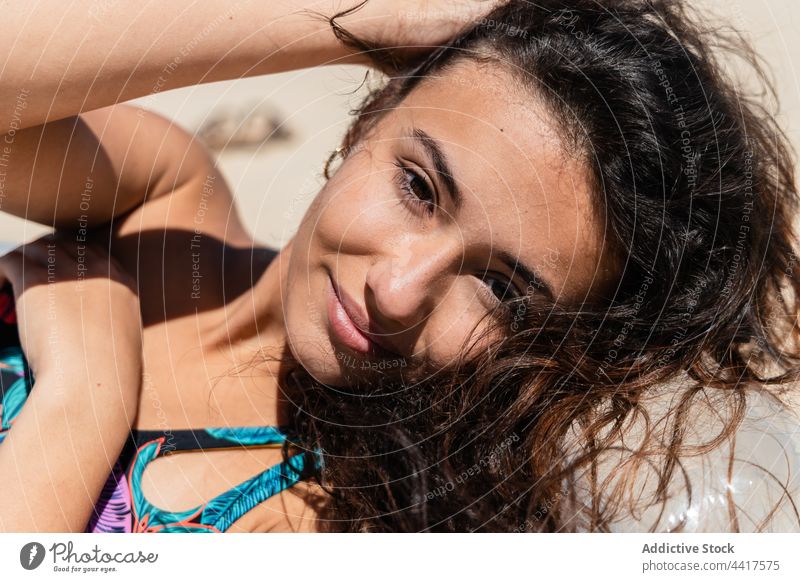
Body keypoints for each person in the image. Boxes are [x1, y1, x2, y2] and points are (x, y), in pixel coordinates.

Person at [0, 0, 799, 533]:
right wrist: (358, 15)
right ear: (370, 115)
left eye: (502, 290)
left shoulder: (321, 521)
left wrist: (82, 395)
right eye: (419, 187)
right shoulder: (162, 199)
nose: (397, 288)